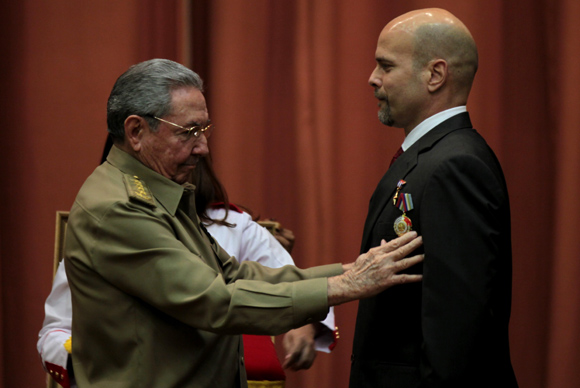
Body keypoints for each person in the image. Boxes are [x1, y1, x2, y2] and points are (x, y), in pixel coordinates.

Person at [64, 58, 424, 388]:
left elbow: (234, 275)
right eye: (188, 132)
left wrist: (347, 272)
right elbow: (215, 301)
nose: (203, 147)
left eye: (204, 129)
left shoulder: (161, 190)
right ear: (136, 131)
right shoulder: (118, 207)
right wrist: (345, 286)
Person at [38, 155, 337, 388]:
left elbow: (279, 275)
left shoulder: (233, 224)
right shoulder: (105, 224)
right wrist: (104, 356)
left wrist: (305, 322)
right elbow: (55, 332)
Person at [349, 8, 518, 388]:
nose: (372, 79)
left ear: (435, 75)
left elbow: (455, 332)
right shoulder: (432, 157)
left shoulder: (454, 166)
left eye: (386, 66)